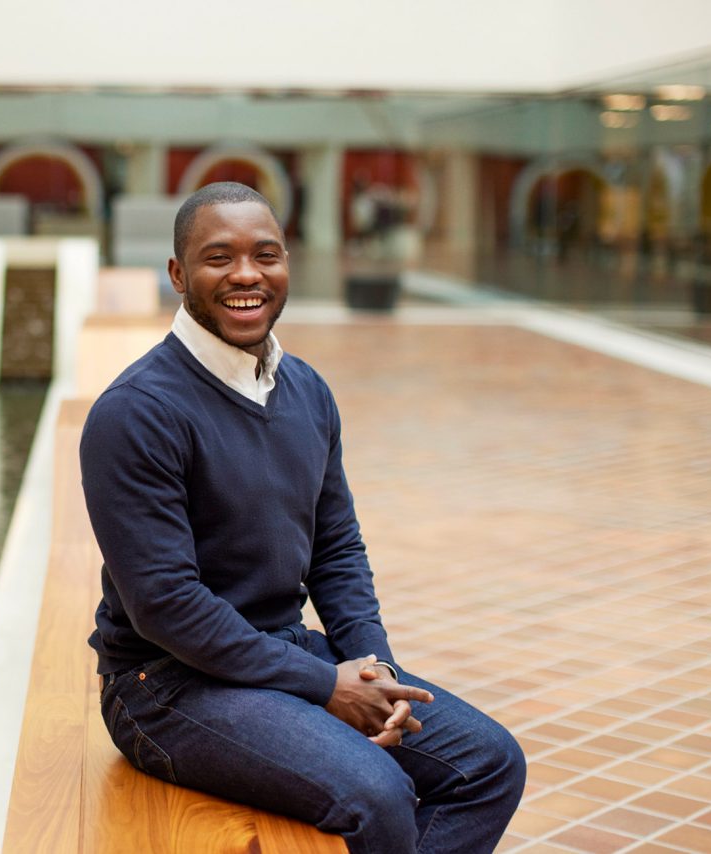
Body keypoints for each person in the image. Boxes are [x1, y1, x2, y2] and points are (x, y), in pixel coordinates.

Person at [80, 182, 525, 853]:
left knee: (489, 764)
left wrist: (374, 669)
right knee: (377, 792)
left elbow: (336, 548)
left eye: (265, 255)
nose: (246, 275)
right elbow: (166, 605)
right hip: (164, 687)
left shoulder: (307, 391)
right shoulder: (136, 412)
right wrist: (324, 685)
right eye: (219, 257)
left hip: (280, 650)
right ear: (178, 274)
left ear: (287, 263)